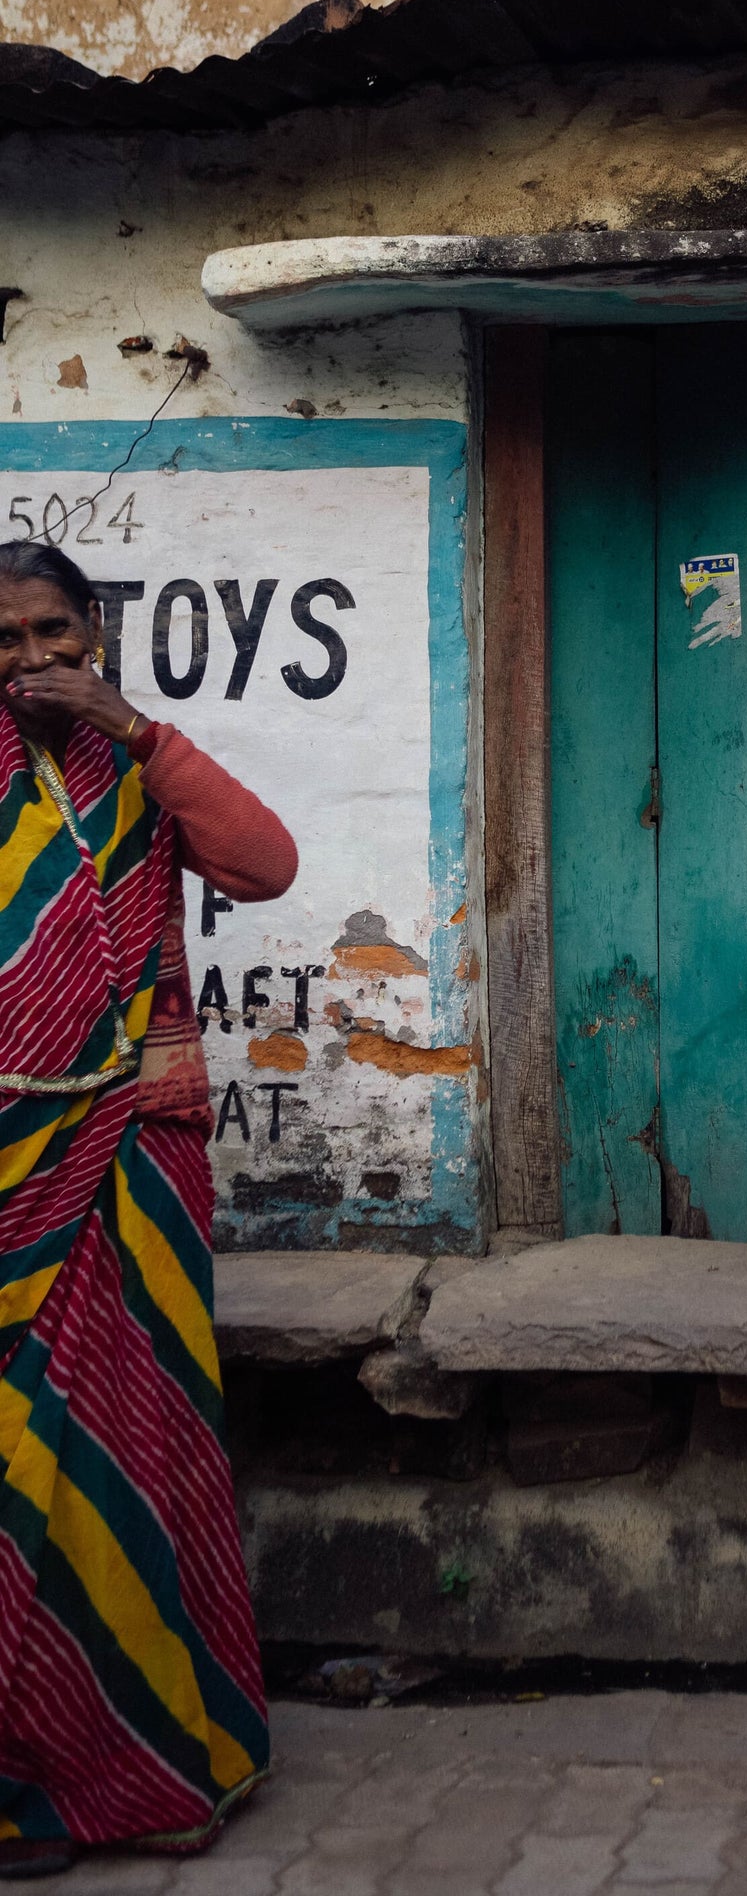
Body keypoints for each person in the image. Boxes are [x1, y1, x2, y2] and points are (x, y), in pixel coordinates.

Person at [0, 540, 297, 1876]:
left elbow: (267, 865)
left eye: (53, 633)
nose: (30, 662)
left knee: (134, 1453)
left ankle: (159, 1769)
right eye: (5, 644)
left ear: (96, 635)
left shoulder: (141, 762)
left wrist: (128, 725)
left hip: (127, 1155)